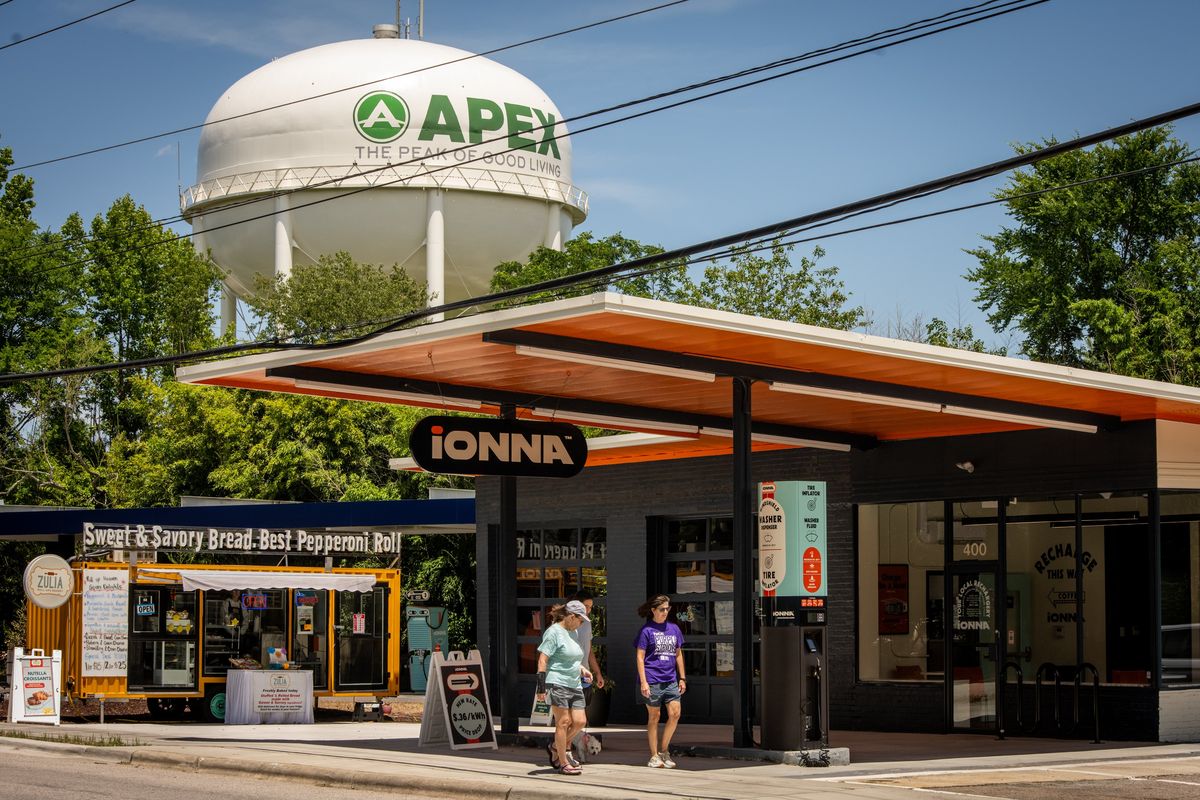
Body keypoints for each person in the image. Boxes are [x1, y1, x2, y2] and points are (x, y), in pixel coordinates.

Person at [535, 600, 593, 775]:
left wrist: (582, 669)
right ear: (571, 616)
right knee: (563, 722)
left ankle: (555, 746)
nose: (581, 624)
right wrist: (541, 688)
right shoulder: (553, 632)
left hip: (574, 683)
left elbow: (572, 658)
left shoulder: (573, 632)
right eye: (580, 620)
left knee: (580, 721)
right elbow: (542, 660)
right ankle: (563, 762)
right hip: (557, 681)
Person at [635, 594, 686, 769]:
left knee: (675, 714)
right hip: (652, 679)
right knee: (654, 716)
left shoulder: (674, 629)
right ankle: (654, 755)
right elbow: (640, 657)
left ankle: (664, 751)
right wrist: (643, 682)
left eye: (667, 609)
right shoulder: (646, 631)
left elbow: (678, 654)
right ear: (653, 610)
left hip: (670, 679)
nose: (665, 612)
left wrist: (682, 677)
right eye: (662, 609)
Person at [568, 590, 605, 760]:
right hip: (569, 676)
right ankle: (564, 751)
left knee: (580, 719)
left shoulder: (587, 623)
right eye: (586, 606)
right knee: (568, 719)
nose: (589, 610)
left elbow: (589, 651)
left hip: (585, 676)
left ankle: (563, 748)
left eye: (590, 607)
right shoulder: (567, 624)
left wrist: (597, 673)